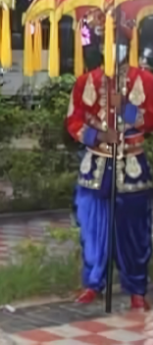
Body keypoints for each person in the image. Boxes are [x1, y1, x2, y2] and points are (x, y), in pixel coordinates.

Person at [66, 18, 153, 310]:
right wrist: (99, 134)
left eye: (119, 44)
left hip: (131, 166)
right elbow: (73, 121)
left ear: (128, 47)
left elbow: (151, 118)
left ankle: (136, 288)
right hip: (95, 167)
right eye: (108, 43)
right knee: (92, 229)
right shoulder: (86, 81)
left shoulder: (145, 80)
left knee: (134, 231)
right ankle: (93, 282)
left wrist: (125, 109)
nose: (113, 49)